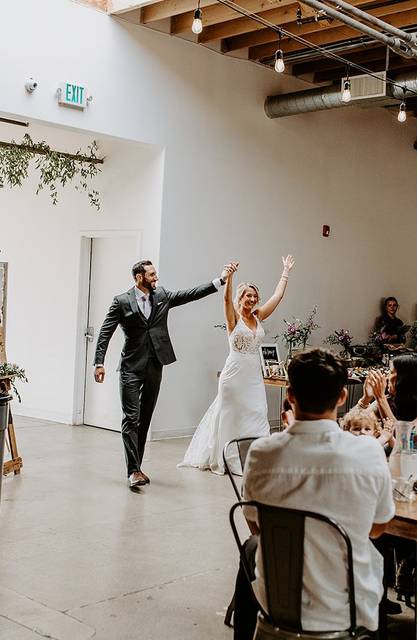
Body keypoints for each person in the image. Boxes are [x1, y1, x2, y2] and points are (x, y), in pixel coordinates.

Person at [231, 349, 395, 639]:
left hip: (277, 613)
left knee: (253, 548)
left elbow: (257, 526)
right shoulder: (368, 451)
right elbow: (378, 528)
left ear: (290, 395)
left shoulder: (262, 453)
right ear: (343, 396)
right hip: (344, 613)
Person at [94, 259, 237, 489]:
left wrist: (219, 280)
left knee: (145, 417)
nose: (156, 278)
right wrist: (99, 362)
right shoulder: (121, 302)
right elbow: (105, 332)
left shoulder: (161, 295)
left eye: (155, 274)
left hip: (155, 365)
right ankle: (133, 471)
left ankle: (136, 467)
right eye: (151, 275)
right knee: (131, 417)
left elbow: (189, 294)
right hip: (130, 367)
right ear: (139, 277)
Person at [180, 256, 295, 474]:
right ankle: (229, 457)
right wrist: (230, 277)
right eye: (247, 295)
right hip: (234, 374)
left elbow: (277, 296)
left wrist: (285, 272)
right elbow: (225, 301)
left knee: (259, 411)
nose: (252, 299)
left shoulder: (258, 316)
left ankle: (257, 459)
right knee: (232, 415)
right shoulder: (234, 318)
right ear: (240, 298)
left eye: (254, 295)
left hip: (253, 374)